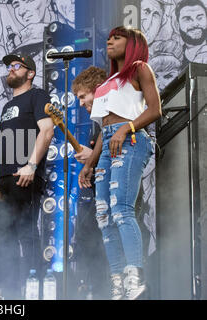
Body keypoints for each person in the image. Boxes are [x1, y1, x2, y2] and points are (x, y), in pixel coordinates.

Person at [78, 26, 162, 300]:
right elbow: (106, 126)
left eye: (117, 37)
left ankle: (135, 279)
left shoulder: (140, 68)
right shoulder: (107, 82)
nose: (110, 40)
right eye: (109, 37)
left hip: (133, 139)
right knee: (103, 216)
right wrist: (90, 161)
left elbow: (154, 110)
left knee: (122, 210)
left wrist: (127, 129)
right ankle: (118, 283)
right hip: (109, 143)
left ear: (133, 42)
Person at [0, 53, 54, 299]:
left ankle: (36, 291)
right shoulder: (6, 106)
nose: (10, 69)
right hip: (3, 177)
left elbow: (47, 130)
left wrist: (31, 165)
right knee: (4, 236)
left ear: (30, 72)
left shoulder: (38, 96)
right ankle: (11, 293)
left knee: (26, 233)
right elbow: (2, 137)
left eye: (16, 66)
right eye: (9, 66)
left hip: (24, 175)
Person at [71, 66, 110, 299]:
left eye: (83, 97)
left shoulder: (110, 112)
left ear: (97, 89)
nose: (81, 104)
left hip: (114, 191)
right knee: (86, 238)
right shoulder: (96, 121)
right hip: (98, 194)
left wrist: (90, 157)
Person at [175, 0, 207, 64]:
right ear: (176, 25)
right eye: (187, 19)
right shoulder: (175, 58)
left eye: (200, 18)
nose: (195, 24)